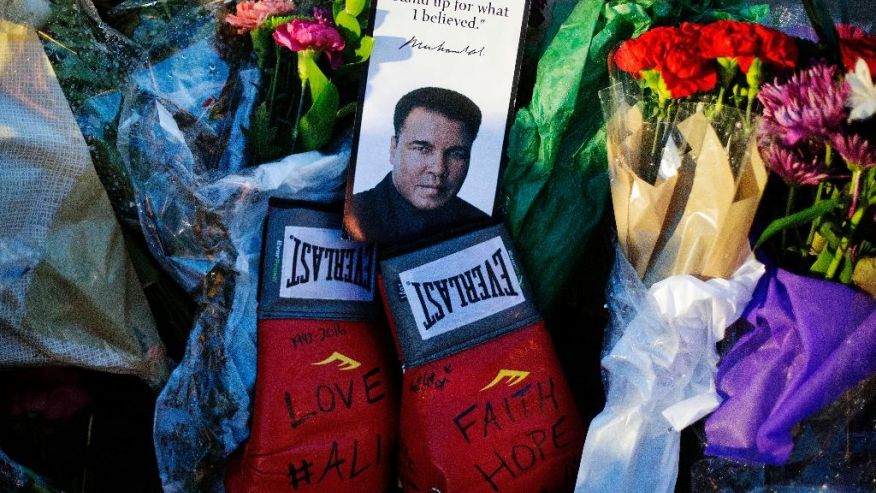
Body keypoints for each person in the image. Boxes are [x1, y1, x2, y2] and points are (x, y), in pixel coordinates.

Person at [347, 87, 490, 244]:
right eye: (422, 149)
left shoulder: (482, 229)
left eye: (456, 154)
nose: (439, 169)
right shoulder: (352, 216)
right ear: (393, 149)